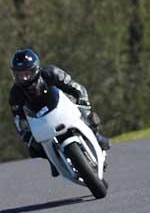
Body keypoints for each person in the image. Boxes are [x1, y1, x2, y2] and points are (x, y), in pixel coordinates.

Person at [7, 48, 110, 177]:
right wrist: (25, 134)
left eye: (27, 73)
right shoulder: (15, 94)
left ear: (35, 69)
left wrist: (82, 100)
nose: (24, 77)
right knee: (33, 148)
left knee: (88, 116)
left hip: (64, 105)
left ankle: (97, 136)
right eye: (19, 74)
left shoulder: (51, 73)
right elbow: (18, 118)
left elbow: (75, 87)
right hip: (41, 118)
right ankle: (54, 160)